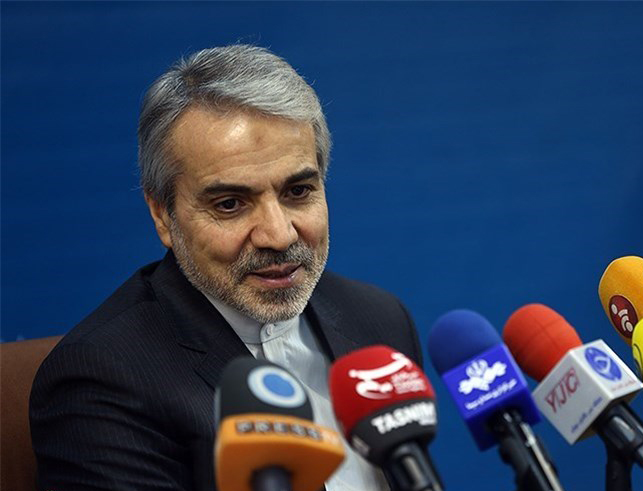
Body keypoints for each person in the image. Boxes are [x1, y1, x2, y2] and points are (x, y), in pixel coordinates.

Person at [30, 44, 421, 491]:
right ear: (163, 215)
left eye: (298, 192)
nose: (279, 236)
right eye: (230, 204)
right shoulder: (103, 380)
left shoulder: (379, 321)